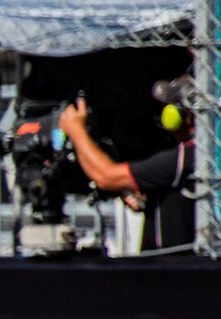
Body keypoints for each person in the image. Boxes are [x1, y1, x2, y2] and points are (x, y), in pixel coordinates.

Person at [59, 93, 195, 252]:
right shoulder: (197, 156)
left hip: (176, 270)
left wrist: (76, 131)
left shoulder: (186, 156)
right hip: (176, 267)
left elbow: (105, 177)